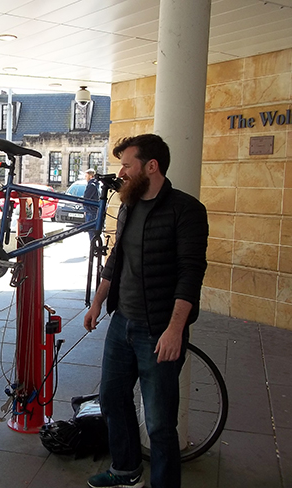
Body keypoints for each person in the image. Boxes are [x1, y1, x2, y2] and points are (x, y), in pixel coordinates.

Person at [83, 134, 208, 488]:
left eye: (127, 164)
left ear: (151, 166)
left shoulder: (187, 211)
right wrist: (97, 303)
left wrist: (174, 330)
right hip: (122, 321)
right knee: (111, 398)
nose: (120, 172)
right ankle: (126, 470)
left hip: (159, 330)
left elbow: (190, 274)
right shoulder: (129, 205)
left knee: (159, 421)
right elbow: (115, 261)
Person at [83, 168, 100, 240]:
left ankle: (93, 249)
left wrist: (85, 209)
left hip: (91, 211)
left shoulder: (91, 185)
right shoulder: (96, 185)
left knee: (91, 233)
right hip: (94, 211)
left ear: (90, 176)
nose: (85, 178)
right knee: (93, 233)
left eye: (86, 176)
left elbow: (86, 198)